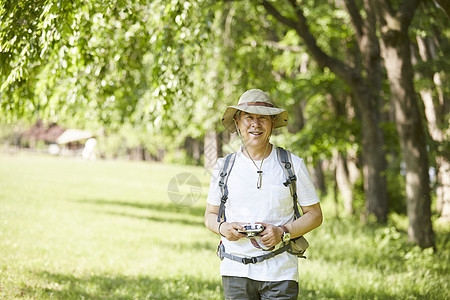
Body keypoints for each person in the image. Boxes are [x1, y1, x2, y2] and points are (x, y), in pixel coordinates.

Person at [204, 89, 323, 300]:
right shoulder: (224, 167)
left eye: (263, 118)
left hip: (281, 272)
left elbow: (315, 214)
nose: (255, 124)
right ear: (238, 122)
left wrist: (283, 232)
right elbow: (210, 216)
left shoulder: (292, 164)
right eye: (249, 117)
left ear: (272, 123)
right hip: (235, 272)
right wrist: (224, 228)